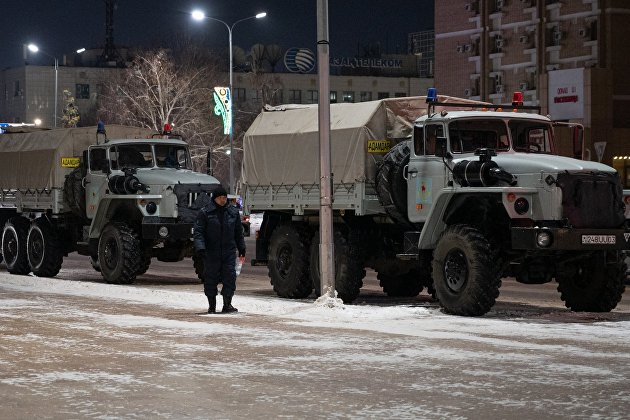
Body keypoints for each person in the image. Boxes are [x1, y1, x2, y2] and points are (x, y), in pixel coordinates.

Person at [193, 185, 246, 314]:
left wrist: (242, 248)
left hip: (228, 252)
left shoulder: (232, 213)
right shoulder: (205, 213)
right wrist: (200, 248)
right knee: (210, 279)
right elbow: (199, 232)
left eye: (224, 197)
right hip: (211, 252)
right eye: (220, 198)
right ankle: (212, 306)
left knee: (230, 277)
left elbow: (238, 233)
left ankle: (227, 304)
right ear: (215, 198)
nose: (223, 200)